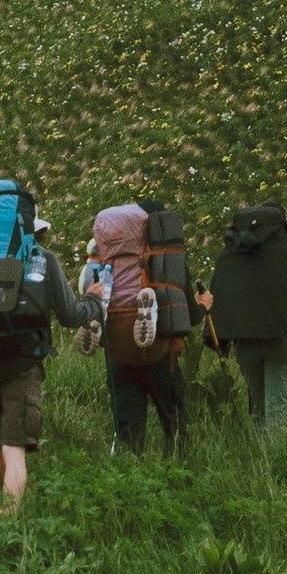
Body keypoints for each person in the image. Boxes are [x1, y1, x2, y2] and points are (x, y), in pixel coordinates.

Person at [0, 182, 91, 506]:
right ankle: (9, 521)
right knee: (15, 449)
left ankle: (2, 510)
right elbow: (70, 315)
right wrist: (95, 304)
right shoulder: (44, 260)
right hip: (24, 361)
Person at [84, 191, 192, 457]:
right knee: (174, 423)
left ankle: (129, 476)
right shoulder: (167, 259)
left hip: (118, 349)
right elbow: (189, 313)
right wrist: (202, 305)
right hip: (160, 351)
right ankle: (178, 471)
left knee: (129, 431)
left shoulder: (107, 254)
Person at [210, 200, 287, 432]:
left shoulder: (232, 254)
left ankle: (258, 457)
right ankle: (276, 461)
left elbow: (218, 293)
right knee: (276, 407)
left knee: (258, 406)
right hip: (279, 336)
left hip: (244, 339)